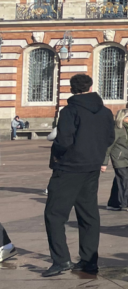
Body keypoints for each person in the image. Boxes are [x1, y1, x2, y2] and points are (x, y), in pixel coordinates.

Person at [43, 74, 115, 277]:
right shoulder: (105, 112)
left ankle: (61, 260)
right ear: (91, 87)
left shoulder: (69, 111)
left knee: (54, 214)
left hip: (69, 167)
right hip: (92, 167)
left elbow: (63, 140)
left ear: (71, 89)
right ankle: (89, 260)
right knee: (89, 214)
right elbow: (110, 138)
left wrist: (57, 154)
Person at [104, 108, 128, 212]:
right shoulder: (117, 129)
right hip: (119, 159)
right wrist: (104, 163)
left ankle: (113, 204)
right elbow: (108, 146)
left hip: (127, 159)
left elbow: (127, 143)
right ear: (123, 118)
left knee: (119, 180)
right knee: (124, 180)